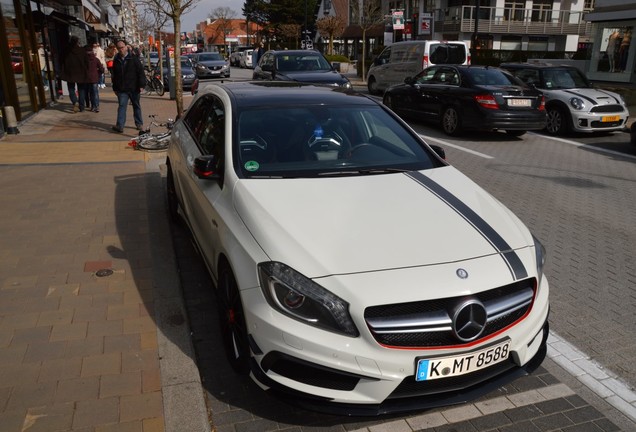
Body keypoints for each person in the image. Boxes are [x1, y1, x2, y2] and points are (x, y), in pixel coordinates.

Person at [110, 40, 146, 133]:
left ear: (126, 47)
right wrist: (115, 87)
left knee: (136, 105)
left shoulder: (133, 58)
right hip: (122, 88)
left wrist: (141, 85)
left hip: (134, 87)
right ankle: (120, 126)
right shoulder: (116, 59)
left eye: (122, 47)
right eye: (119, 48)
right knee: (122, 106)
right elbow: (114, 75)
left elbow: (141, 72)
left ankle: (139, 124)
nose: (121, 50)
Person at [61, 36, 88, 112]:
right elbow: (87, 62)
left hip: (70, 73)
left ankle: (75, 101)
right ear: (77, 42)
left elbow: (62, 60)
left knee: (71, 89)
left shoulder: (66, 51)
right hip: (81, 73)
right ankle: (82, 107)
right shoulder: (82, 51)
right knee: (81, 90)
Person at [85, 44, 104, 112]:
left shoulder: (84, 60)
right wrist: (98, 74)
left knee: (90, 93)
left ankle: (93, 106)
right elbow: (101, 69)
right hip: (94, 78)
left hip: (87, 79)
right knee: (95, 92)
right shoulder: (96, 59)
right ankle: (96, 106)